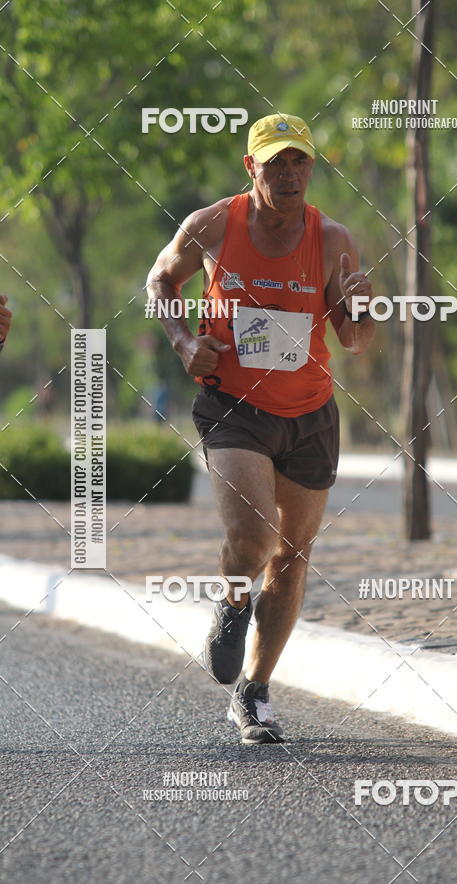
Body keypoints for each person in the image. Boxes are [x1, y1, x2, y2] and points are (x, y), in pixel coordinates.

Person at [147, 113, 375, 744]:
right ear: (252, 169)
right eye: (275, 162)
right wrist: (183, 340)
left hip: (309, 412)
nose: (289, 173)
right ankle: (233, 600)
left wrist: (361, 304)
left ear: (310, 168)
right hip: (234, 407)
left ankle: (253, 693)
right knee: (253, 538)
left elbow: (354, 340)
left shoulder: (331, 239)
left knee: (294, 557)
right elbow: (160, 279)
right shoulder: (214, 225)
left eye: (299, 161)